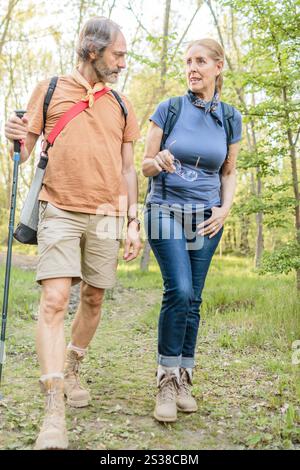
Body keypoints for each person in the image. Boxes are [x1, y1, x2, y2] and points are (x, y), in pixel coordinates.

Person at [5, 16, 141, 449]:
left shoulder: (121, 104)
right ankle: (53, 404)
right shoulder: (49, 90)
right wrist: (13, 138)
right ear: (91, 51)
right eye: (117, 54)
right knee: (55, 299)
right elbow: (25, 153)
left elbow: (126, 168)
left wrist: (133, 221)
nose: (122, 62)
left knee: (94, 296)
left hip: (105, 214)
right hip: (58, 207)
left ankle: (74, 364)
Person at [142, 38, 242, 422]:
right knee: (179, 289)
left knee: (194, 299)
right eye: (187, 62)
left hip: (207, 217)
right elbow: (145, 165)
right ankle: (165, 381)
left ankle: (184, 377)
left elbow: (228, 172)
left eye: (200, 61)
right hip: (165, 209)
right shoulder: (169, 109)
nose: (192, 68)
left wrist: (225, 208)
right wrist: (159, 158)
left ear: (219, 66)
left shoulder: (230, 117)